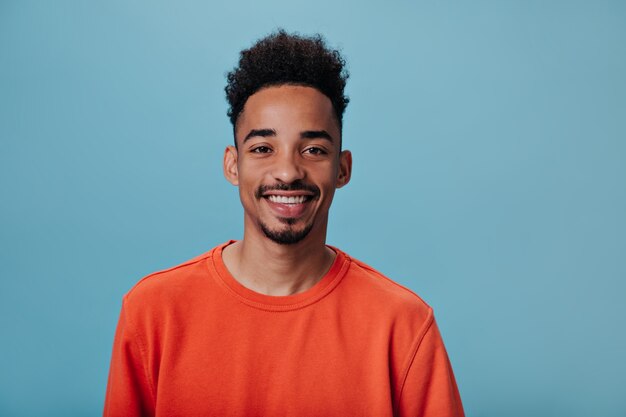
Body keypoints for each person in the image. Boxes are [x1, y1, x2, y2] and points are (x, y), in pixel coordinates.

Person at [103, 30, 464, 417]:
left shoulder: (403, 324)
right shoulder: (153, 312)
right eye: (262, 148)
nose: (288, 172)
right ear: (232, 165)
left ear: (342, 169)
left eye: (313, 150)